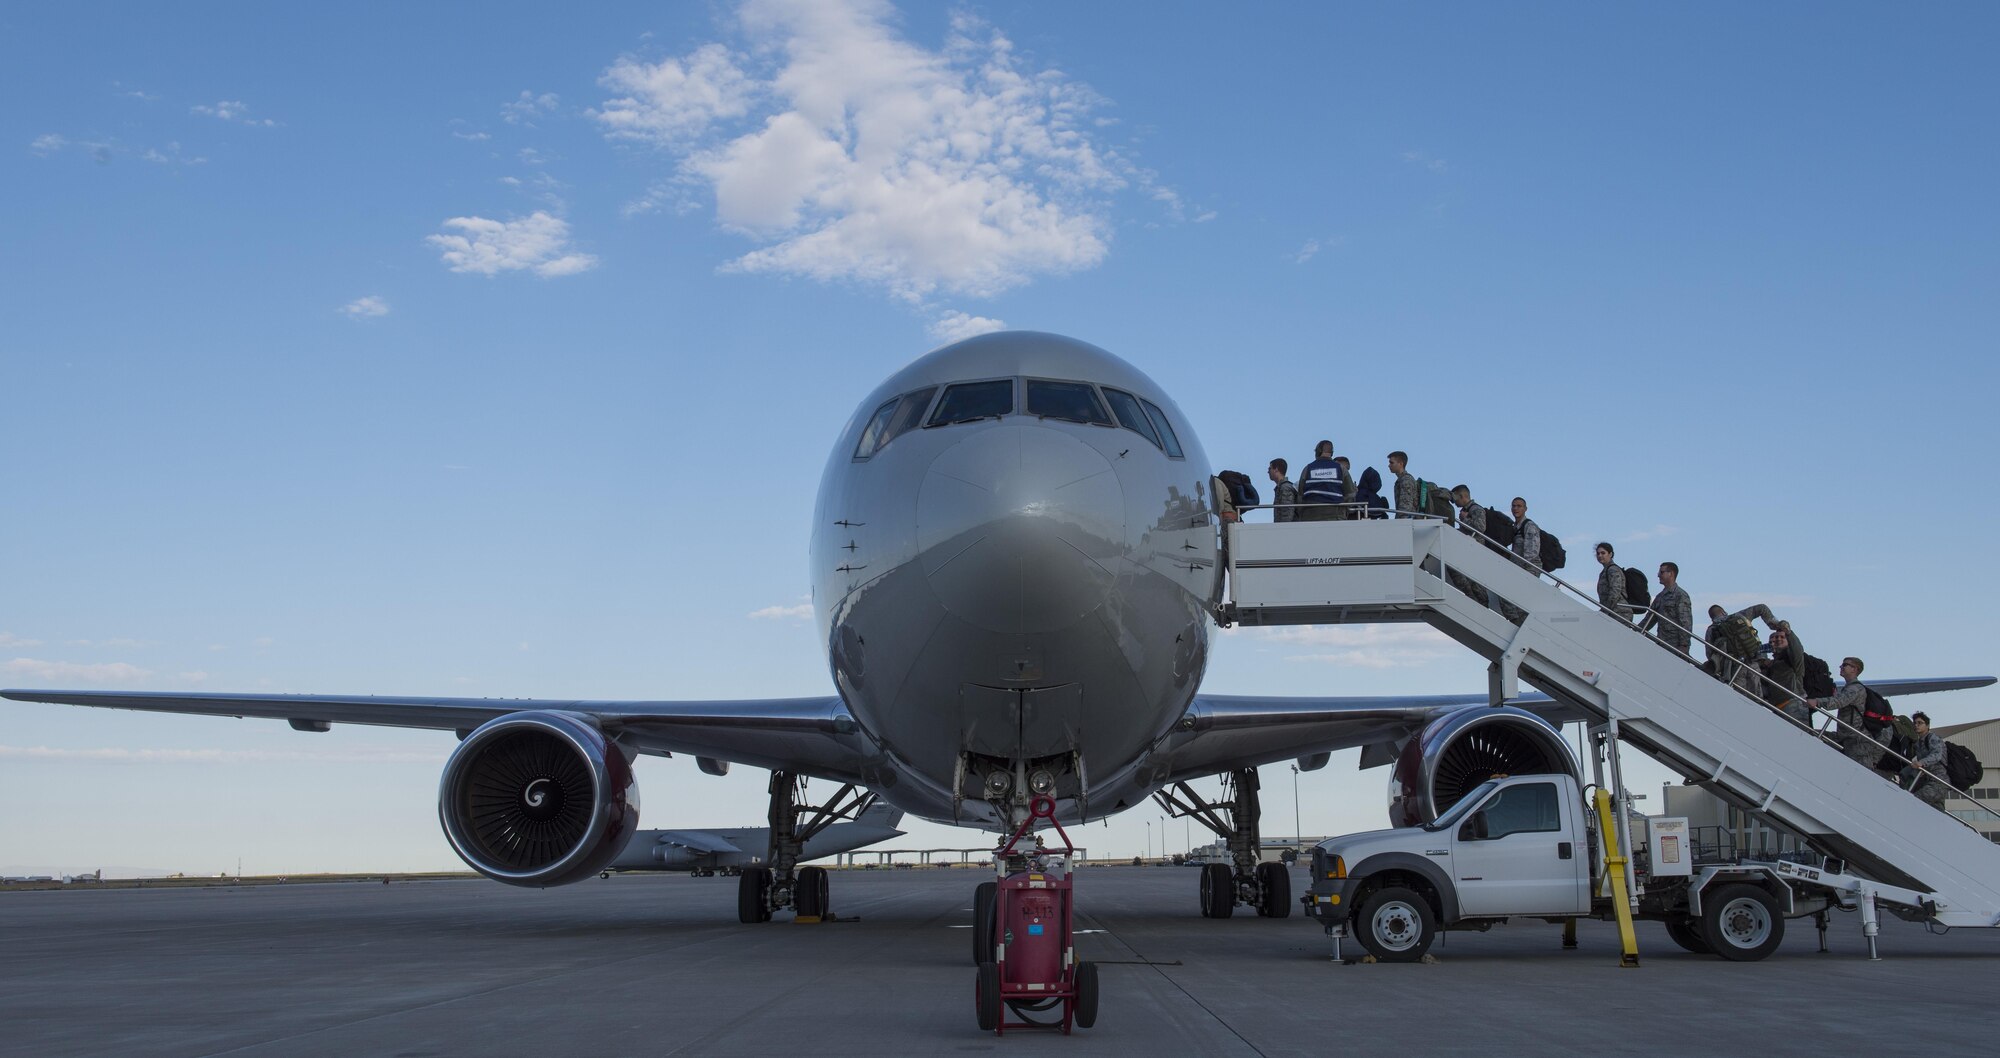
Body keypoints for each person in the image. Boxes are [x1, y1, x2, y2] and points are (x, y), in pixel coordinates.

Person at [1804, 657, 1886, 770]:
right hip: (1845, 738)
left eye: (1845, 665)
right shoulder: (1849, 687)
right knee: (1811, 734)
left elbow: (1839, 701)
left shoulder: (1856, 689)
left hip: (1857, 742)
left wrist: (1817, 702)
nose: (1841, 667)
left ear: (1854, 669)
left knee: (1859, 775)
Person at [1447, 484, 1491, 606]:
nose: (1454, 501)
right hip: (1467, 550)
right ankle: (1473, 600)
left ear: (1462, 496)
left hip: (1475, 551)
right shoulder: (1466, 510)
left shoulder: (1476, 509)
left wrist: (1465, 519)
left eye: (1455, 497)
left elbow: (1481, 528)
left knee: (1476, 583)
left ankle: (1482, 604)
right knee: (1459, 574)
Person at [1703, 604, 1762, 694]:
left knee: (1740, 696)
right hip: (1753, 663)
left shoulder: (1712, 629)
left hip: (1734, 667)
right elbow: (1761, 608)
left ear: (1711, 617)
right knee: (1757, 696)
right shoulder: (1738, 617)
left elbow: (1709, 654)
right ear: (1723, 611)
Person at [1637, 562, 1692, 655]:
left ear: (1671, 574)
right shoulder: (1660, 597)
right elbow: (1649, 619)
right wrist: (1635, 631)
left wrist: (1684, 645)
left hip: (1675, 646)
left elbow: (1685, 622)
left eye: (1661, 572)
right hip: (1662, 644)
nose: (1658, 575)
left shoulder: (1681, 595)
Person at [1903, 711, 1950, 811]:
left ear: (1927, 725)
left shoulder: (1932, 738)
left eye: (1920, 723)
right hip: (1930, 780)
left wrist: (1921, 763)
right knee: (1936, 810)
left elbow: (1937, 755)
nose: (1916, 725)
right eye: (1915, 723)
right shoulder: (1918, 744)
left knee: (1917, 798)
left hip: (1939, 781)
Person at [1296, 441, 1352, 522]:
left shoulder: (1308, 468)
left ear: (1318, 451)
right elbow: (1350, 494)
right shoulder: (1341, 469)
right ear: (1332, 453)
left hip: (1310, 516)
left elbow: (1300, 495)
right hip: (1336, 517)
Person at [1594, 542, 1628, 620]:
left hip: (1619, 613)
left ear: (1610, 554)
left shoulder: (1613, 569)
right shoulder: (1605, 571)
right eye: (1598, 553)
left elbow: (1615, 591)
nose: (1600, 556)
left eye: (1603, 553)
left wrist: (1606, 610)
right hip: (1612, 612)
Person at [1267, 459, 1299, 523]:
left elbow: (1287, 512)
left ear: (1276, 469)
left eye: (1270, 468)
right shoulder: (1282, 487)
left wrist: (1282, 529)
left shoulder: (1285, 488)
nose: (1268, 471)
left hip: (1286, 529)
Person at [1388, 451, 1418, 518]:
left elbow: (1405, 507)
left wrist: (1401, 522)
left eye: (1391, 463)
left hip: (1409, 522)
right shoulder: (1401, 480)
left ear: (1401, 464)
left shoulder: (1406, 480)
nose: (1389, 465)